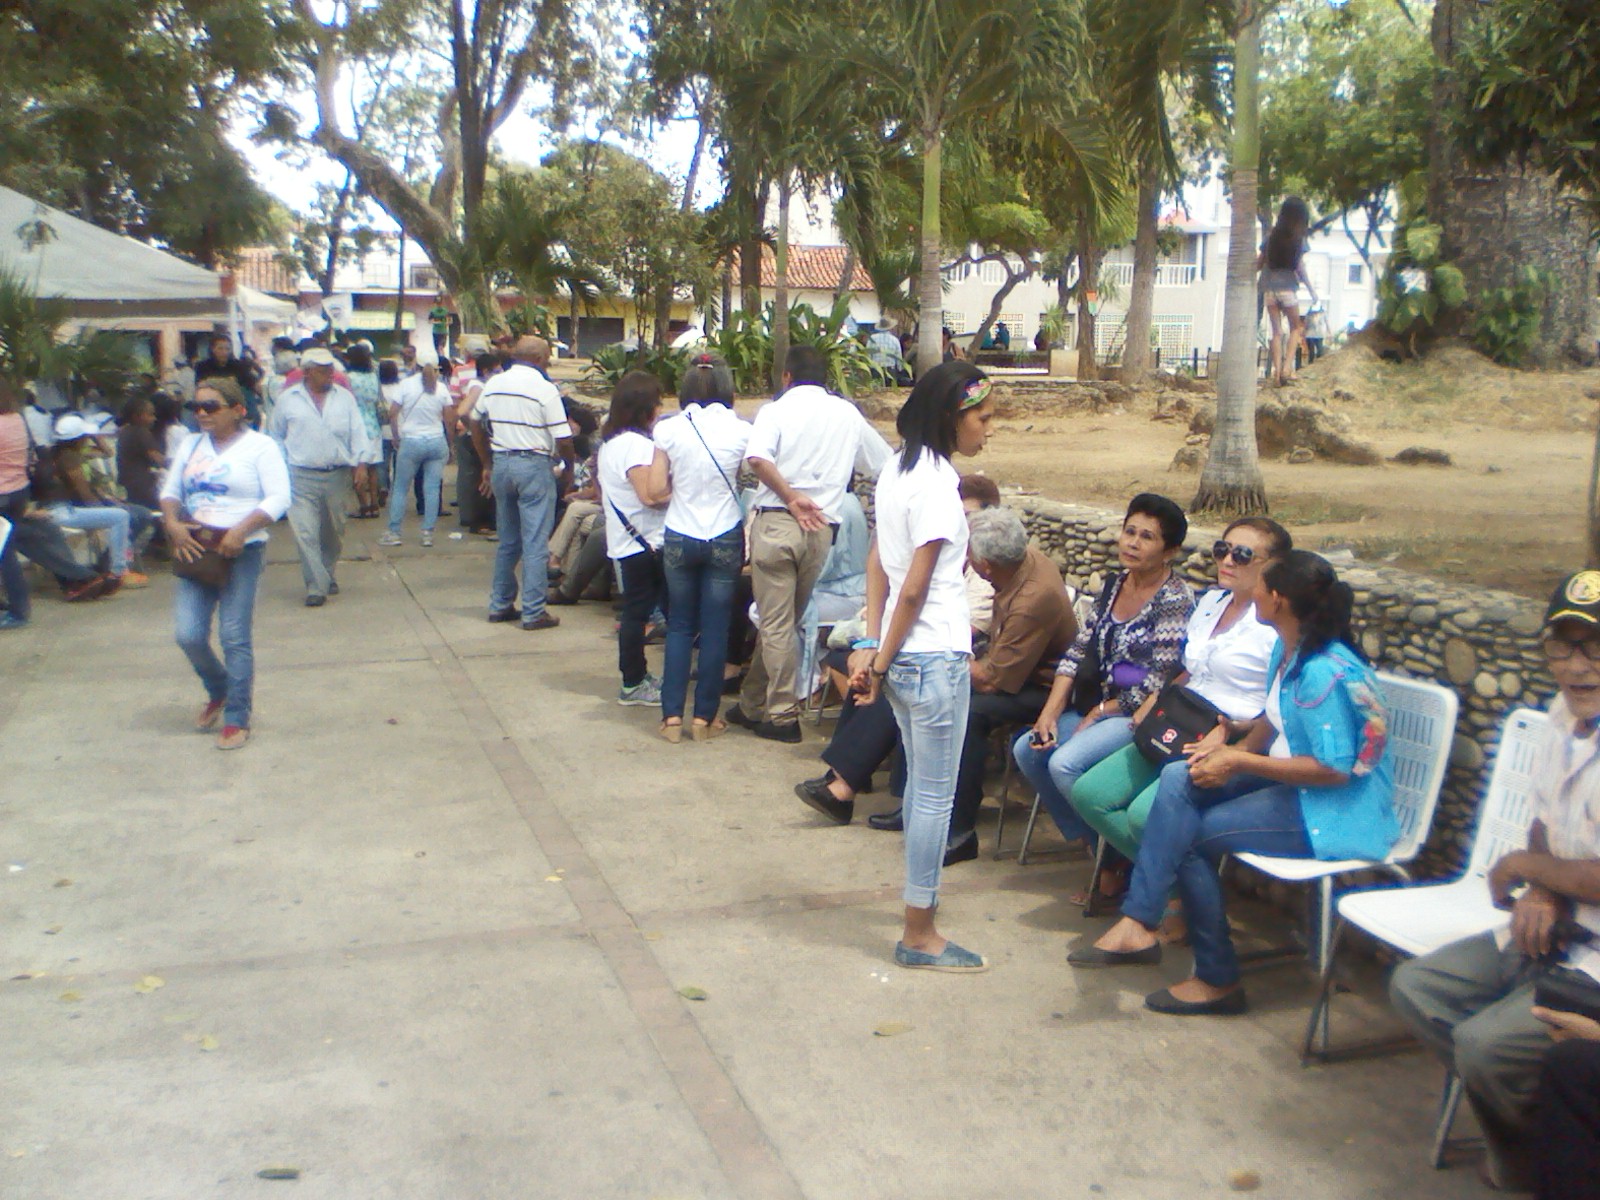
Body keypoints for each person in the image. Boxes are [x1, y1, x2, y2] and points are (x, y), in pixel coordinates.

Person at [1072, 550, 1394, 1020]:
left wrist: (1239, 762)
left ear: (1278, 600)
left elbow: (1335, 770)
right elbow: (1270, 719)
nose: (1252, 591)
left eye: (1262, 585)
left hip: (1332, 810)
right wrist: (1225, 743)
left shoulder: (1323, 670)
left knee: (1191, 839)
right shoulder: (1291, 649)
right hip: (1298, 789)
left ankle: (1216, 978)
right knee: (1180, 775)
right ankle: (1140, 920)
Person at [1390, 571, 1600, 1192]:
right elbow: (1544, 822)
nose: (1576, 666)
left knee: (1485, 1046)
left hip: (1593, 958)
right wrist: (1540, 887)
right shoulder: (1563, 718)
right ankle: (1531, 1135)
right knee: (1417, 987)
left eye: (1594, 647)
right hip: (1553, 922)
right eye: (1561, 647)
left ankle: (1546, 1143)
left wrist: (1524, 871)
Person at [846, 359, 997, 972]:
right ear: (952, 417)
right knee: (934, 797)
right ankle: (920, 931)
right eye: (983, 418)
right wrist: (877, 659)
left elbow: (879, 562)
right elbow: (910, 585)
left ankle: (920, 911)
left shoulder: (897, 468)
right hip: (931, 659)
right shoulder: (935, 485)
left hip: (908, 657)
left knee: (923, 794)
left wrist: (875, 646)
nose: (988, 431)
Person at [1068, 519, 1290, 903]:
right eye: (1223, 549)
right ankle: (1176, 889)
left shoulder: (1274, 626)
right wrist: (1156, 698)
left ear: (1273, 564)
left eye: (1242, 554)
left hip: (1225, 735)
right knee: (1089, 793)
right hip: (1177, 721)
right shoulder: (1210, 602)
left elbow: (1279, 705)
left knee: (1141, 816)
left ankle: (1161, 897)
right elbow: (1186, 667)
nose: (1227, 560)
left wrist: (1236, 735)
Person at [1011, 494, 1194, 854]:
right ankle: (1090, 839)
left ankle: (1116, 857)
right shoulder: (1113, 586)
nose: (1133, 543)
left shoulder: (1174, 599)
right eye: (1130, 532)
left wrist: (1101, 712)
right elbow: (1078, 651)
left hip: (1134, 714)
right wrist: (1049, 713)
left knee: (1065, 764)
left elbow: (1157, 680)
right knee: (1028, 749)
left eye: (1147, 537)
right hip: (1093, 702)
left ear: (1169, 551)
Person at [728, 344, 891, 743]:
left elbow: (757, 459)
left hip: (779, 523)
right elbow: (884, 463)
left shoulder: (775, 411)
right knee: (784, 621)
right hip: (822, 530)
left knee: (777, 623)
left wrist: (789, 497)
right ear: (825, 378)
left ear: (787, 376)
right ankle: (751, 703)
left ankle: (782, 715)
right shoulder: (846, 414)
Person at [160, 378, 291, 751]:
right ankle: (218, 687)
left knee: (234, 635)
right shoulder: (190, 445)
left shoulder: (260, 447)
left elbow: (280, 496)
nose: (202, 414)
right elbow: (171, 491)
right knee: (188, 633)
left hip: (242, 550)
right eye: (196, 407)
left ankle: (237, 716)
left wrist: (242, 529)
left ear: (238, 410)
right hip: (196, 546)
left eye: (211, 407)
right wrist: (171, 523)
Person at [644, 354, 752, 740]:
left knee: (679, 627)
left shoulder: (668, 429)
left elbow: (655, 490)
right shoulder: (742, 431)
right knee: (716, 629)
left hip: (679, 534)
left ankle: (671, 718)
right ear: (728, 388)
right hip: (724, 534)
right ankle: (705, 718)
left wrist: (681, 492)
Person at [469, 335, 574, 629]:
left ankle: (500, 604)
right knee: (535, 542)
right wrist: (569, 466)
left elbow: (473, 420)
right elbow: (563, 437)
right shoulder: (544, 389)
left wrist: (486, 462)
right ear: (540, 359)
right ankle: (533, 611)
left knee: (508, 540)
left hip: (502, 463)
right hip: (533, 464)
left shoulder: (494, 383)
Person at [267, 346, 379, 607]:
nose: (329, 374)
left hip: (337, 474)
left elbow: (358, 431)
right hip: (300, 475)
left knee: (333, 531)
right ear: (307, 373)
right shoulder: (288, 399)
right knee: (305, 532)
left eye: (331, 369)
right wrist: (280, 470)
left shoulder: (344, 398)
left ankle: (327, 573)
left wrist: (361, 463)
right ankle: (315, 586)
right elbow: (276, 435)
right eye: (322, 370)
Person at [598, 371, 670, 706]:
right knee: (640, 614)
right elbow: (650, 495)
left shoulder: (612, 444)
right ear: (644, 410)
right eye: (656, 405)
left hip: (628, 542)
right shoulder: (636, 446)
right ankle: (633, 680)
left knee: (637, 612)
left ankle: (636, 676)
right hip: (648, 544)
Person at [44, 413, 151, 589]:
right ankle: (118, 570)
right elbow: (84, 492)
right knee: (121, 516)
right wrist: (103, 509)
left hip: (63, 508)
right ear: (78, 439)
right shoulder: (69, 459)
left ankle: (110, 561)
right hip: (66, 510)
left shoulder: (61, 453)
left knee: (132, 515)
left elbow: (106, 453)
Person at [378, 352, 454, 549]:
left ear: (414, 365)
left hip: (411, 440)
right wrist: (450, 442)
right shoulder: (442, 388)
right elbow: (449, 419)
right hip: (436, 440)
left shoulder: (405, 385)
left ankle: (394, 531)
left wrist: (395, 436)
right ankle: (427, 532)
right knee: (432, 488)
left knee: (401, 488)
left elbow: (392, 413)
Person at [1258, 196, 1318, 387]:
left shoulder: (1270, 237)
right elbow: (1300, 268)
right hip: (1288, 290)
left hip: (1269, 291)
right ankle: (1287, 369)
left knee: (1276, 332)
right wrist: (1311, 290)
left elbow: (1259, 263)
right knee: (1295, 328)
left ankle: (1276, 374)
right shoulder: (1298, 240)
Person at [455, 352, 499, 536]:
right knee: (483, 480)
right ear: (487, 370)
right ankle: (481, 522)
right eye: (497, 370)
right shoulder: (479, 387)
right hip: (477, 439)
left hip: (477, 436)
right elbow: (462, 410)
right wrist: (474, 429)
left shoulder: (481, 385)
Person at [0, 380, 33, 628]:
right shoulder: (17, 419)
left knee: (5, 555)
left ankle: (18, 611)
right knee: (6, 550)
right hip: (19, 491)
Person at [345, 342, 384, 518]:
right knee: (373, 467)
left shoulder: (349, 378)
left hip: (356, 425)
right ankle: (374, 504)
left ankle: (363, 505)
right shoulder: (373, 377)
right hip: (373, 424)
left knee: (357, 467)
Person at [194, 334, 262, 426]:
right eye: (220, 348)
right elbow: (200, 386)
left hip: (239, 411)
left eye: (227, 349)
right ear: (213, 349)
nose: (224, 352)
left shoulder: (238, 366)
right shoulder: (203, 366)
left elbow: (253, 384)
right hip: (213, 410)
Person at [114, 395, 166, 512]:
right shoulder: (142, 433)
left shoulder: (125, 431)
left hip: (127, 484)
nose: (154, 418)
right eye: (150, 414)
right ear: (137, 416)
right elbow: (158, 459)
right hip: (142, 486)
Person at [867, 318, 912, 386]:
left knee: (876, 390)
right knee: (889, 390)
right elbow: (898, 357)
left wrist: (869, 368)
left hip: (876, 369)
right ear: (890, 327)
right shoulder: (895, 340)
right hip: (890, 370)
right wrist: (900, 369)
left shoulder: (872, 339)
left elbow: (868, 355)